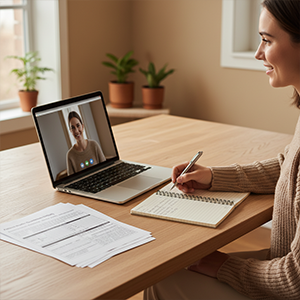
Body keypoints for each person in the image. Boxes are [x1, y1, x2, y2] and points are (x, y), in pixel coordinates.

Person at [144, 0, 300, 299]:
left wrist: (226, 266)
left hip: (288, 282)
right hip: (282, 264)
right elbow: (289, 167)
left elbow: (294, 281)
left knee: (162, 280)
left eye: (267, 40)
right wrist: (214, 177)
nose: (257, 52)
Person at [66, 111, 106, 175]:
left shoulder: (94, 145)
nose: (76, 131)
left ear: (82, 126)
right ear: (70, 131)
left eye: (78, 125)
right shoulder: (70, 155)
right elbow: (71, 182)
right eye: (73, 128)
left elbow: (106, 168)